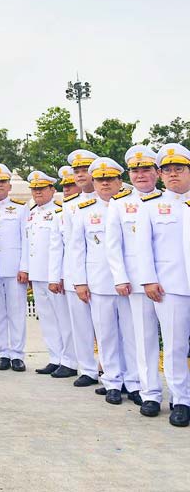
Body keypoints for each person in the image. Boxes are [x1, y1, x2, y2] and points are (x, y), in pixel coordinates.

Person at [69, 157, 141, 405]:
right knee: (106, 335)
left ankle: (134, 382)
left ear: (120, 181)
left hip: (130, 283)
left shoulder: (134, 206)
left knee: (131, 335)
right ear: (94, 182)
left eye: (110, 179)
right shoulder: (85, 210)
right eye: (100, 180)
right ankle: (112, 382)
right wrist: (80, 282)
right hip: (99, 282)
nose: (105, 184)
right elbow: (77, 249)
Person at [107, 145, 164, 417]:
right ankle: (148, 391)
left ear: (157, 172)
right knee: (143, 339)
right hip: (137, 283)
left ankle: (181, 394)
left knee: (176, 342)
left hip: (170, 282)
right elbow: (113, 245)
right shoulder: (119, 204)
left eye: (146, 169)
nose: (140, 175)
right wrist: (120, 277)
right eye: (134, 170)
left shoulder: (171, 200)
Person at [137, 143, 190, 427]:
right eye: (167, 170)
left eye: (179, 168)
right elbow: (143, 247)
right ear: (160, 174)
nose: (172, 174)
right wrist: (148, 279)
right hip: (171, 288)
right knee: (174, 347)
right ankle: (181, 400)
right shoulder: (152, 207)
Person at [19, 170, 76, 377]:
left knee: (63, 319)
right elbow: (28, 244)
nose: (37, 192)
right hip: (37, 274)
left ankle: (69, 360)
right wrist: (26, 269)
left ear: (52, 189)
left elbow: (61, 247)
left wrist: (58, 275)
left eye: (42, 188)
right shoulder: (32, 213)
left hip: (54, 275)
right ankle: (55, 357)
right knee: (47, 319)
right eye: (34, 189)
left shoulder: (60, 211)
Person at [57, 149, 101, 388]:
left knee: (108, 327)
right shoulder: (70, 204)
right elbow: (70, 243)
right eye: (77, 171)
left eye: (85, 170)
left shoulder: (113, 199)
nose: (81, 175)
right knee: (81, 325)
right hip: (76, 273)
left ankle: (111, 369)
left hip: (103, 274)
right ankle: (87, 369)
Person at [0, 164, 29, 372]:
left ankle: (17, 354)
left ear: (10, 186)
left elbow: (26, 239)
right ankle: (3, 353)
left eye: (3, 182)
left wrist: (24, 267)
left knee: (17, 312)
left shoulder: (21, 208)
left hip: (14, 268)